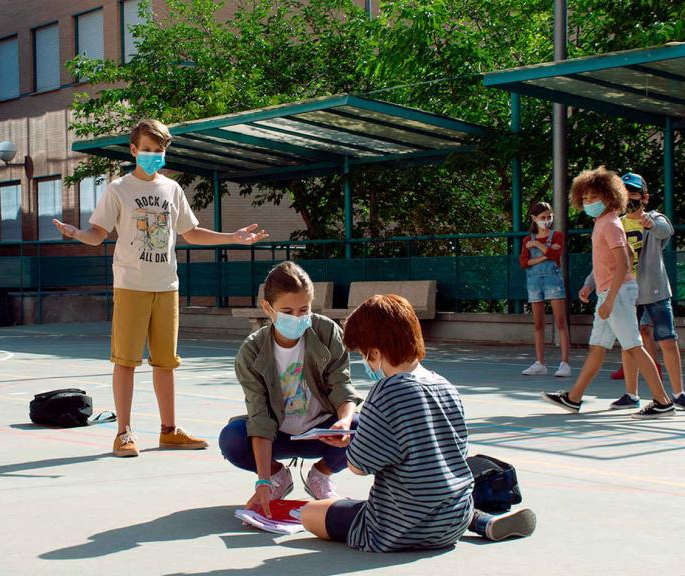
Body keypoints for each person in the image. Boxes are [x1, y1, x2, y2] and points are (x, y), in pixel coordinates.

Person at [53, 119, 269, 457]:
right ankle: (123, 432)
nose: (154, 155)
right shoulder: (119, 189)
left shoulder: (172, 189)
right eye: (148, 150)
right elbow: (98, 233)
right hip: (131, 285)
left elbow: (191, 232)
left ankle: (169, 430)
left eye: (160, 150)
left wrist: (232, 237)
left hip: (166, 286)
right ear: (134, 150)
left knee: (165, 362)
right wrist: (78, 234)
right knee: (125, 360)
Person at [299, 294, 536, 551]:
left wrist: (350, 443)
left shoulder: (386, 391)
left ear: (375, 352)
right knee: (430, 499)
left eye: (364, 355)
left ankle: (467, 520)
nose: (366, 363)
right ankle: (479, 520)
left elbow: (358, 467)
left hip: (398, 528)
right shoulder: (445, 386)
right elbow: (453, 453)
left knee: (311, 512)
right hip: (454, 519)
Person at [219, 262, 361, 514]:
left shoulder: (327, 332)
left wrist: (344, 421)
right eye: (287, 311)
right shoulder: (252, 351)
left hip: (322, 433)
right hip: (277, 436)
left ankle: (321, 475)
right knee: (232, 439)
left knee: (365, 426)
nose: (297, 318)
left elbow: (341, 385)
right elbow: (259, 416)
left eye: (303, 309)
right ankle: (278, 477)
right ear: (267, 308)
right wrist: (263, 479)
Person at [542, 167, 675, 419]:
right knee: (597, 347)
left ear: (609, 196)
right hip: (609, 293)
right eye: (585, 198)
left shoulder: (611, 224)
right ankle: (573, 398)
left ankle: (663, 401)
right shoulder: (604, 222)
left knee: (634, 347)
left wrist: (609, 299)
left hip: (618, 295)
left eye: (593, 197)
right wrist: (592, 286)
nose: (588, 202)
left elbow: (623, 262)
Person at [580, 173, 685, 410]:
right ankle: (631, 393)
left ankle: (678, 393)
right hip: (629, 292)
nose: (629, 197)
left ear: (644, 197)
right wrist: (590, 283)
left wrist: (652, 224)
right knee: (630, 342)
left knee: (666, 339)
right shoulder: (617, 223)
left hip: (655, 291)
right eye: (625, 193)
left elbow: (666, 231)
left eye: (633, 193)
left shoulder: (654, 218)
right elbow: (608, 262)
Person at [519, 201, 571, 378]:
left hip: (553, 281)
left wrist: (539, 247)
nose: (547, 220)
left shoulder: (556, 236)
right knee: (538, 323)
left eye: (549, 217)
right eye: (543, 218)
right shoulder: (527, 239)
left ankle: (565, 363)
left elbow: (555, 255)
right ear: (534, 218)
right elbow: (524, 263)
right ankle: (540, 362)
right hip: (534, 282)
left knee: (560, 322)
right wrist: (545, 254)